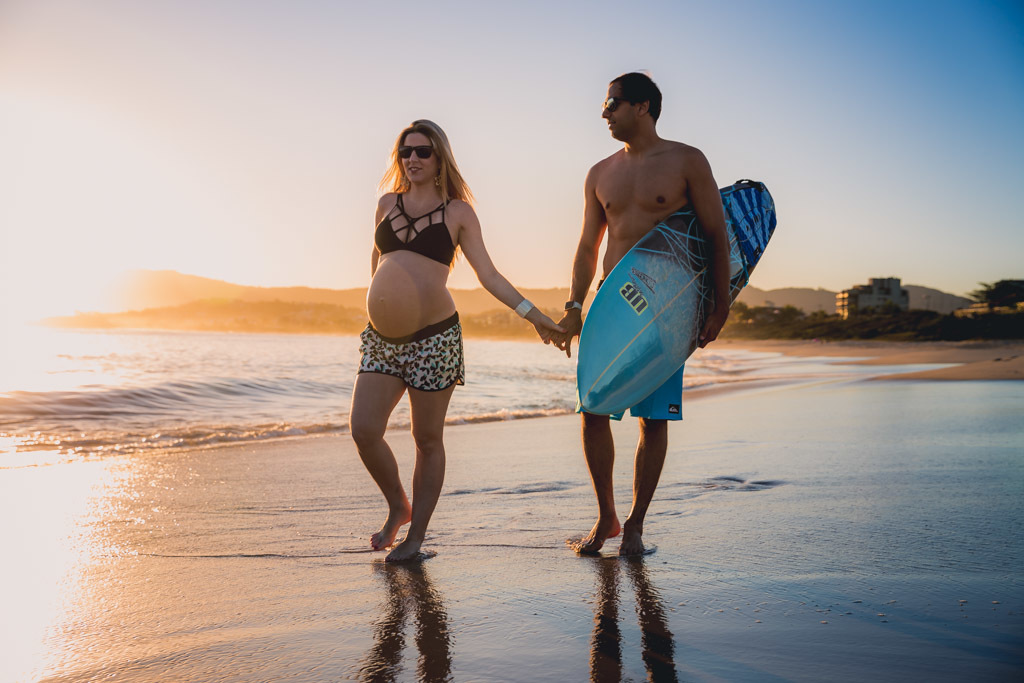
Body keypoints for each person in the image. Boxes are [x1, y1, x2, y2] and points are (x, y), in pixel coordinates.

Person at [350, 119, 564, 562]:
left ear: (440, 157)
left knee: (426, 439)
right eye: (405, 151)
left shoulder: (458, 213)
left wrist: (537, 318)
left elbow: (488, 276)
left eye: (423, 151)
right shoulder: (386, 203)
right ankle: (398, 506)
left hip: (435, 339)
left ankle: (416, 538)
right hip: (383, 340)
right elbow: (377, 260)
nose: (412, 159)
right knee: (365, 430)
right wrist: (382, 304)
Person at [553, 73, 732, 556]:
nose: (604, 113)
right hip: (612, 310)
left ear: (643, 107)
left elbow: (716, 234)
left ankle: (635, 524)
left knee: (652, 421)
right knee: (591, 409)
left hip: (666, 312)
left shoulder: (687, 161)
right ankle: (606, 516)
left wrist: (720, 305)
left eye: (612, 103)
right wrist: (574, 306)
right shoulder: (599, 173)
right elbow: (587, 248)